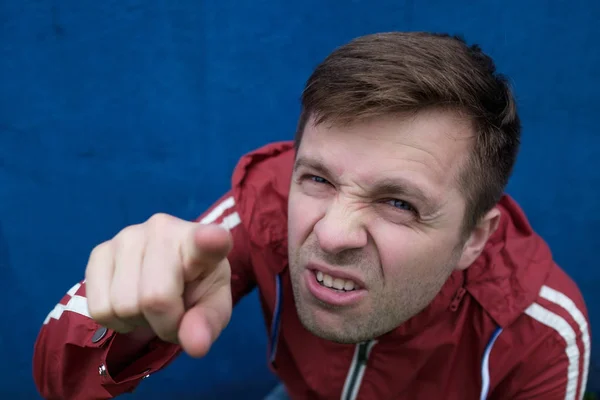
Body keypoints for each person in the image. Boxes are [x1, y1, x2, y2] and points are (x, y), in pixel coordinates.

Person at [33, 32, 591, 400]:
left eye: (399, 203)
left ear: (474, 237)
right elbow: (58, 380)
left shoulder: (545, 334)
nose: (331, 233)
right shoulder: (266, 207)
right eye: (319, 179)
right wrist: (121, 332)